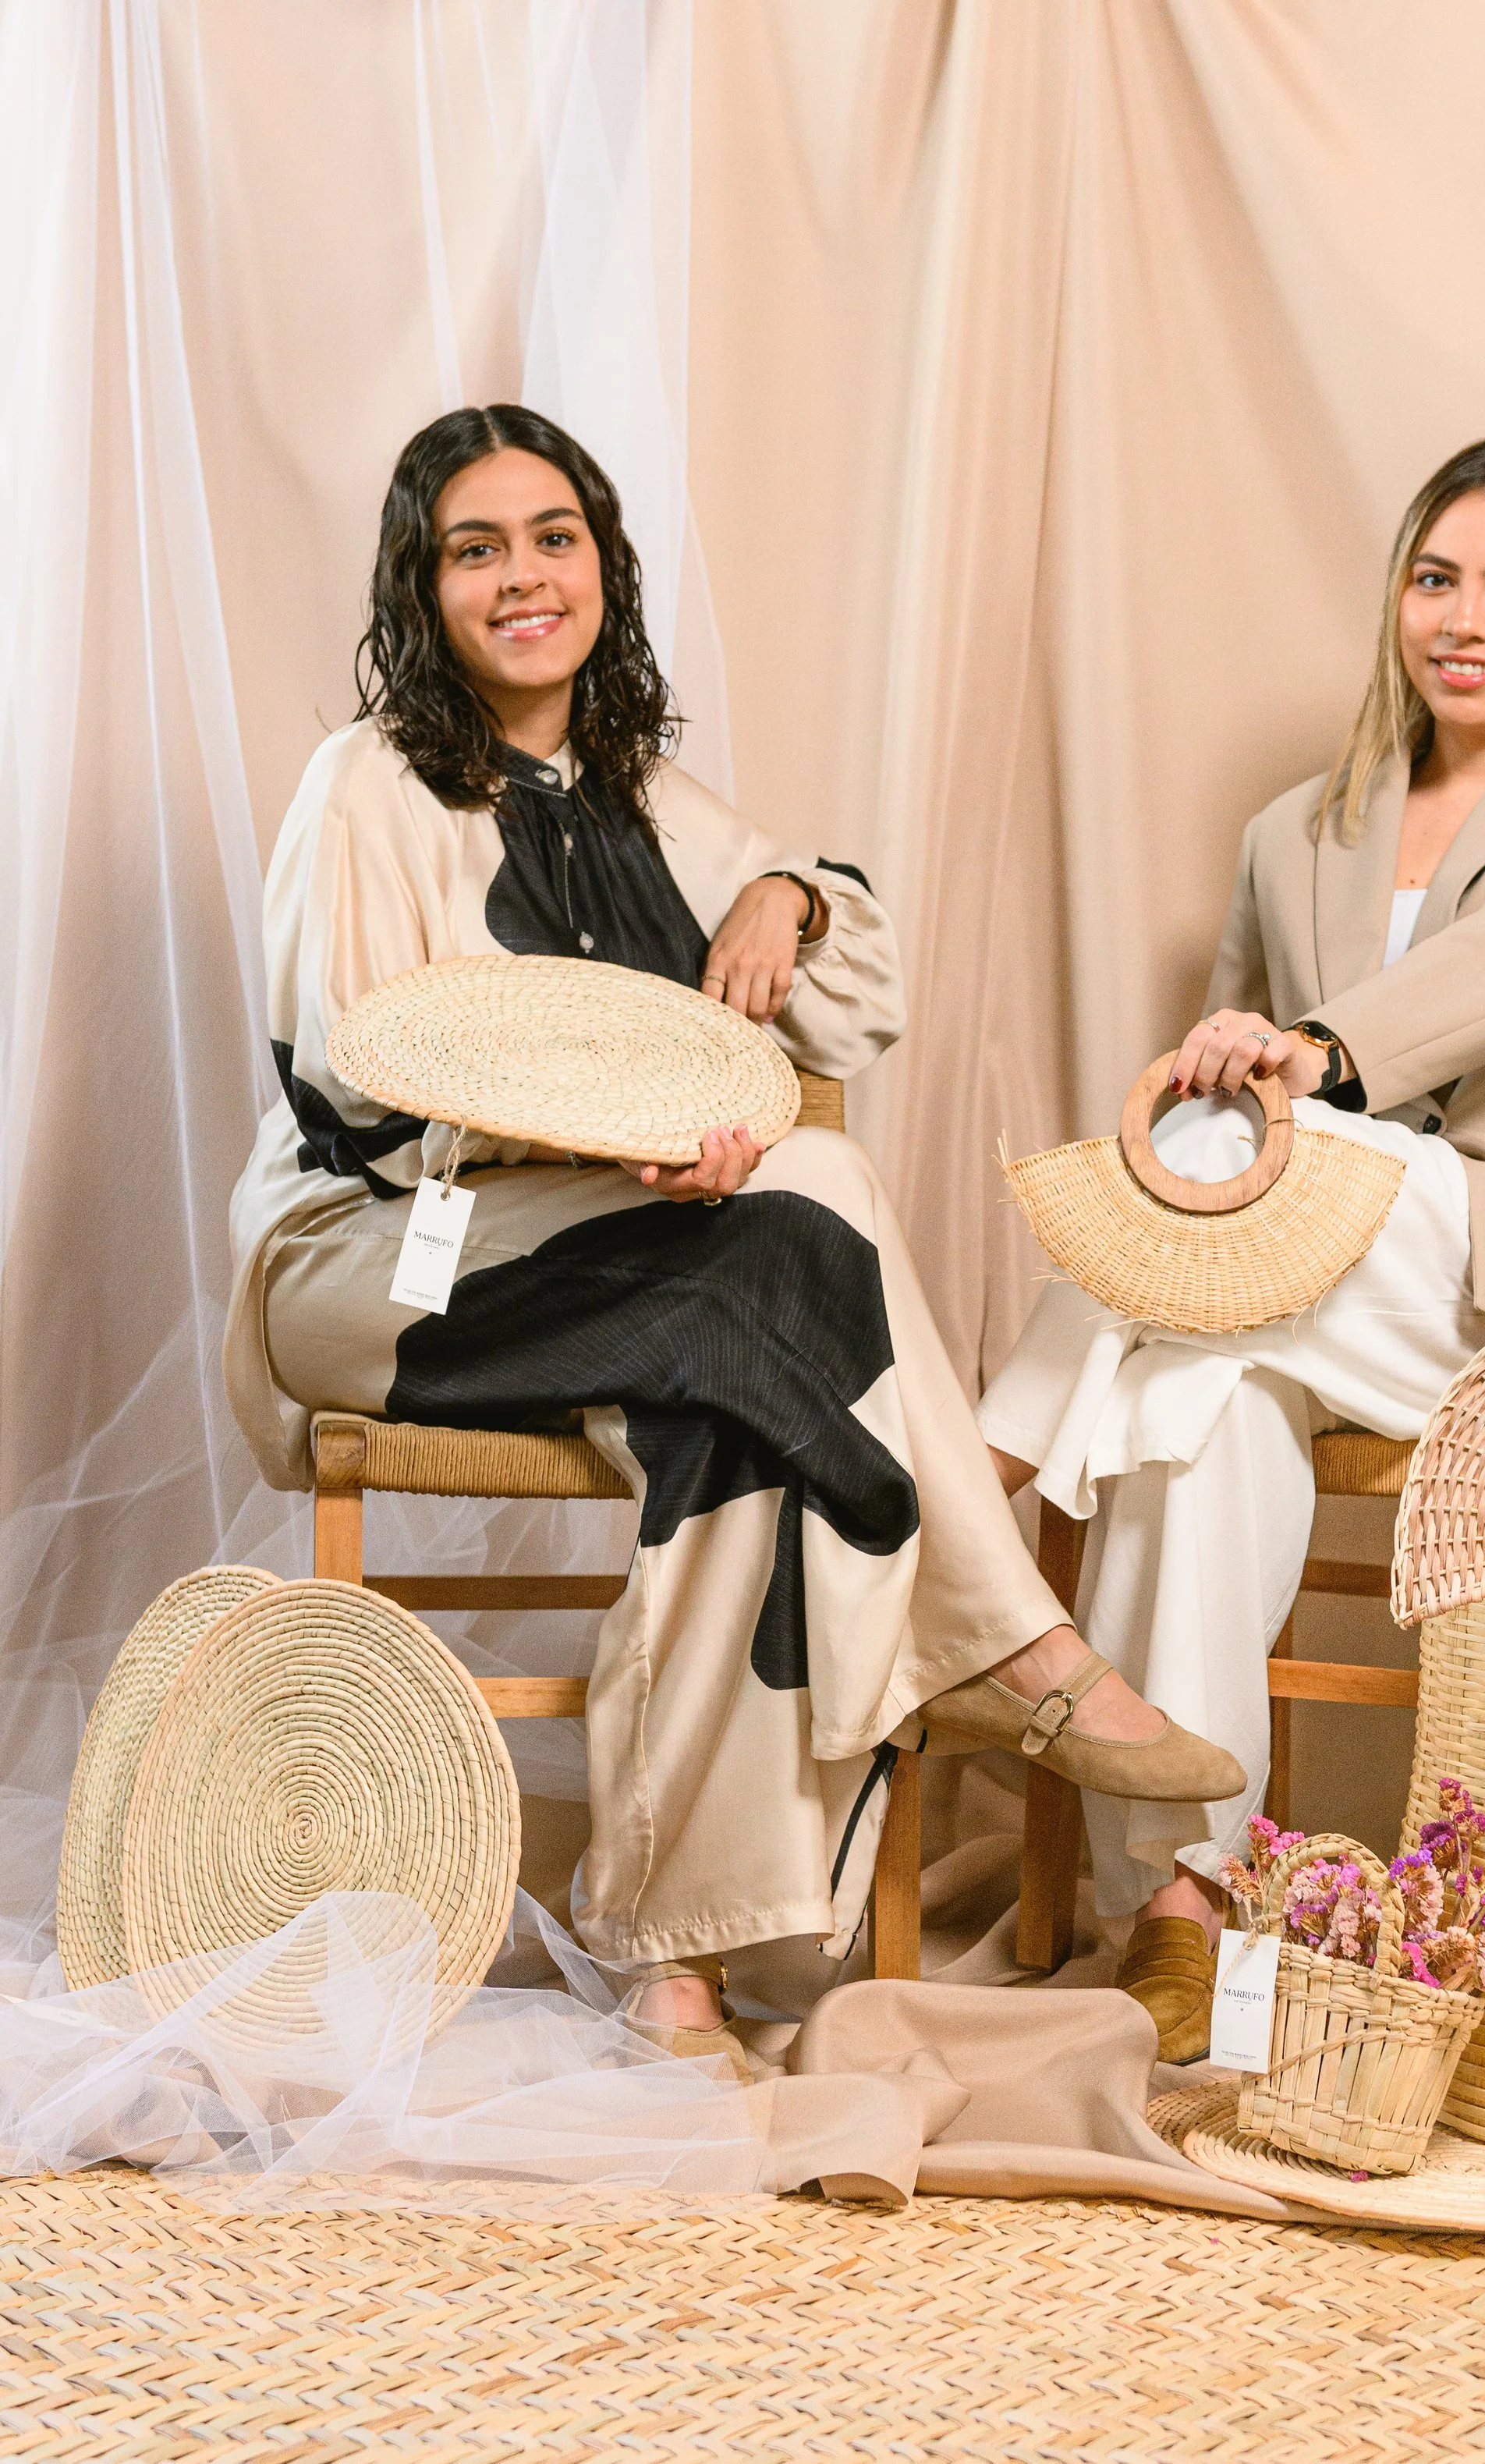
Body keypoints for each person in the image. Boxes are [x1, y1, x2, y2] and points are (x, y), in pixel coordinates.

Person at [224, 405, 1240, 2078]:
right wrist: (613, 1138)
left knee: (744, 1395)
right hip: (382, 1261)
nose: (521, 576)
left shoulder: (647, 796)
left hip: (616, 1283)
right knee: (814, 1209)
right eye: (473, 549)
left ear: (602, 565)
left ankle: (671, 1969)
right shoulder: (369, 787)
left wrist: (794, 898)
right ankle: (1006, 1638)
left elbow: (858, 999)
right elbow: (363, 1073)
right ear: (424, 589)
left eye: (552, 536)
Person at [976, 434, 1485, 2058]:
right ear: (1395, 594)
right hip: (1324, 1300)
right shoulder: (1290, 832)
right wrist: (1246, 1087)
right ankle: (1185, 1906)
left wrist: (1312, 1055)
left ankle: (964, 1520)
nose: (1466, 619)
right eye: (1434, 577)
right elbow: (1233, 1124)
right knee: (1201, 1397)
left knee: (1247, 1177)